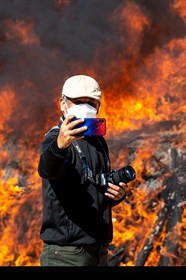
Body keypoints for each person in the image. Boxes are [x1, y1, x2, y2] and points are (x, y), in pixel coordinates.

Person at [37, 74, 128, 266]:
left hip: (98, 251)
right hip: (66, 254)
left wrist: (116, 195)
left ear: (98, 106)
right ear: (63, 104)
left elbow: (92, 188)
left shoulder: (97, 141)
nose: (85, 107)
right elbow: (47, 169)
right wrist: (60, 145)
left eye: (91, 102)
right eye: (78, 101)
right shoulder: (55, 138)